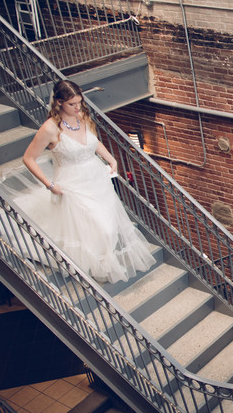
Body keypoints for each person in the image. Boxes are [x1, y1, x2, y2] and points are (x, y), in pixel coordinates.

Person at [12, 80, 155, 283]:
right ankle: (98, 265)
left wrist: (111, 159)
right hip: (72, 184)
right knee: (99, 228)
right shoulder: (50, 128)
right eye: (72, 104)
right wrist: (49, 185)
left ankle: (103, 261)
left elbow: (93, 143)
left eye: (79, 102)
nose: (77, 107)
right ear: (59, 102)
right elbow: (28, 159)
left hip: (97, 179)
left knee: (108, 225)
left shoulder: (82, 118)